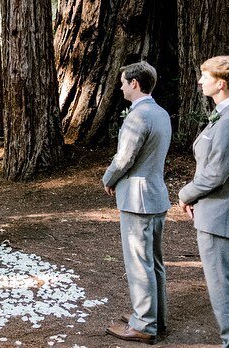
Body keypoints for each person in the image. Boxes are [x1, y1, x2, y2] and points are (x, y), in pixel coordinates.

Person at [179, 56, 229, 348]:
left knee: (222, 287)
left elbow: (217, 173)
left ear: (220, 83)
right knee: (228, 283)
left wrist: (186, 194)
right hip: (222, 212)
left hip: (221, 215)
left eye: (204, 77)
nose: (199, 81)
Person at [102, 62, 172, 345]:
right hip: (156, 194)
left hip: (137, 199)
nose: (120, 86)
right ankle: (157, 318)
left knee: (139, 264)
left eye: (122, 82)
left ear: (134, 83)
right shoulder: (161, 113)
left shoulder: (137, 116)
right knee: (154, 261)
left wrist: (108, 178)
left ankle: (144, 324)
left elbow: (124, 158)